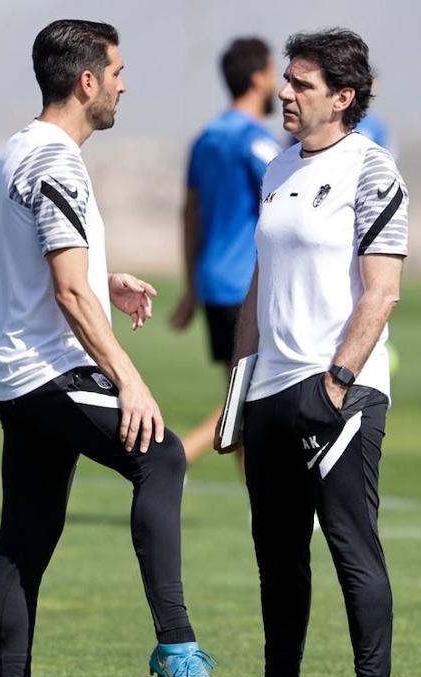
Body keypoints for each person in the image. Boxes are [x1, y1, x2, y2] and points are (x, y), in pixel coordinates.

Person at [0, 19, 225, 677]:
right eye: (117, 70)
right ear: (86, 81)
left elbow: (58, 271)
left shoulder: (15, 152)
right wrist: (131, 378)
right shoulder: (56, 162)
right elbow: (64, 291)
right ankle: (175, 643)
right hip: (50, 373)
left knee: (26, 539)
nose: (124, 82)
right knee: (162, 454)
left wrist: (102, 279)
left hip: (15, 376)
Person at [203, 28, 407, 677]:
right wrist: (239, 393)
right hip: (270, 396)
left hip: (338, 392)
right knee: (277, 555)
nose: (284, 93)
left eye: (301, 84)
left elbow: (381, 294)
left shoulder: (372, 170)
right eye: (284, 81)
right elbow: (261, 285)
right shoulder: (278, 166)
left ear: (342, 97)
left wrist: (337, 382)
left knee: (353, 549)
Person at [169, 37, 281, 464]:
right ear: (257, 78)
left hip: (214, 283)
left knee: (239, 395)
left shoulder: (206, 139)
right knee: (254, 398)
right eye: (274, 74)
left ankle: (261, 507)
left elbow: (189, 214)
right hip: (246, 285)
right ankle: (176, 457)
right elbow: (290, 194)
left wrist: (191, 285)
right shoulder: (255, 142)